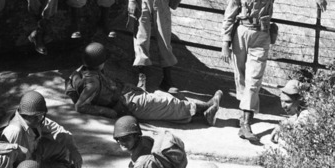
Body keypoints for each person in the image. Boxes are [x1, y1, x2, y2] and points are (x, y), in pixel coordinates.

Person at [222, 0, 318, 143]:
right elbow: (229, 15)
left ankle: (246, 124)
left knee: (254, 79)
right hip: (241, 34)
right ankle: (244, 117)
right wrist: (225, 42)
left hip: (261, 35)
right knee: (240, 77)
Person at [67, 44, 223, 126]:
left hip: (129, 95)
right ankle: (205, 108)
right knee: (166, 103)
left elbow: (71, 85)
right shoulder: (91, 83)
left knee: (164, 99)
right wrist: (108, 112)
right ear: (99, 63)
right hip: (129, 105)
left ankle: (204, 113)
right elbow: (80, 107)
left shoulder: (82, 70)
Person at [3, 89, 83, 168]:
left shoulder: (33, 119)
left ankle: (49, 167)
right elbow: (4, 165)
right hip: (23, 167)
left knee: (64, 147)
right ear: (30, 116)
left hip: (34, 153)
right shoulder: (14, 131)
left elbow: (59, 131)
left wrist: (74, 150)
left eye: (41, 115)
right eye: (38, 115)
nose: (41, 118)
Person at [269, 78, 314, 150]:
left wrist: (283, 128)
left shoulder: (308, 113)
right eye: (281, 101)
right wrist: (282, 124)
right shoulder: (304, 107)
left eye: (288, 102)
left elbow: (297, 130)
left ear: (299, 99)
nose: (283, 106)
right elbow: (295, 117)